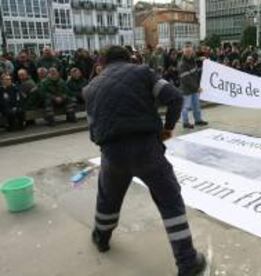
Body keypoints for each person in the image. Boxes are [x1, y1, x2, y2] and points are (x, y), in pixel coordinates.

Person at [83, 46, 206, 276]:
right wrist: (168, 128)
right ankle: (188, 263)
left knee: (108, 199)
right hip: (147, 149)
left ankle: (101, 238)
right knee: (170, 200)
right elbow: (175, 98)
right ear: (128, 58)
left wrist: (108, 147)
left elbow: (93, 131)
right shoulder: (143, 72)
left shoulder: (90, 89)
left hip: (112, 154)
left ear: (102, 62)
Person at [178, 42, 208, 129]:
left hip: (194, 88)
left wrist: (202, 60)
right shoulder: (182, 64)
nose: (188, 53)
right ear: (184, 52)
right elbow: (186, 79)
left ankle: (198, 120)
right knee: (186, 106)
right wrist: (196, 87)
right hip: (187, 90)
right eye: (187, 52)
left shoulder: (193, 61)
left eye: (190, 51)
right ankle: (185, 122)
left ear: (192, 52)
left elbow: (195, 73)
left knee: (196, 105)